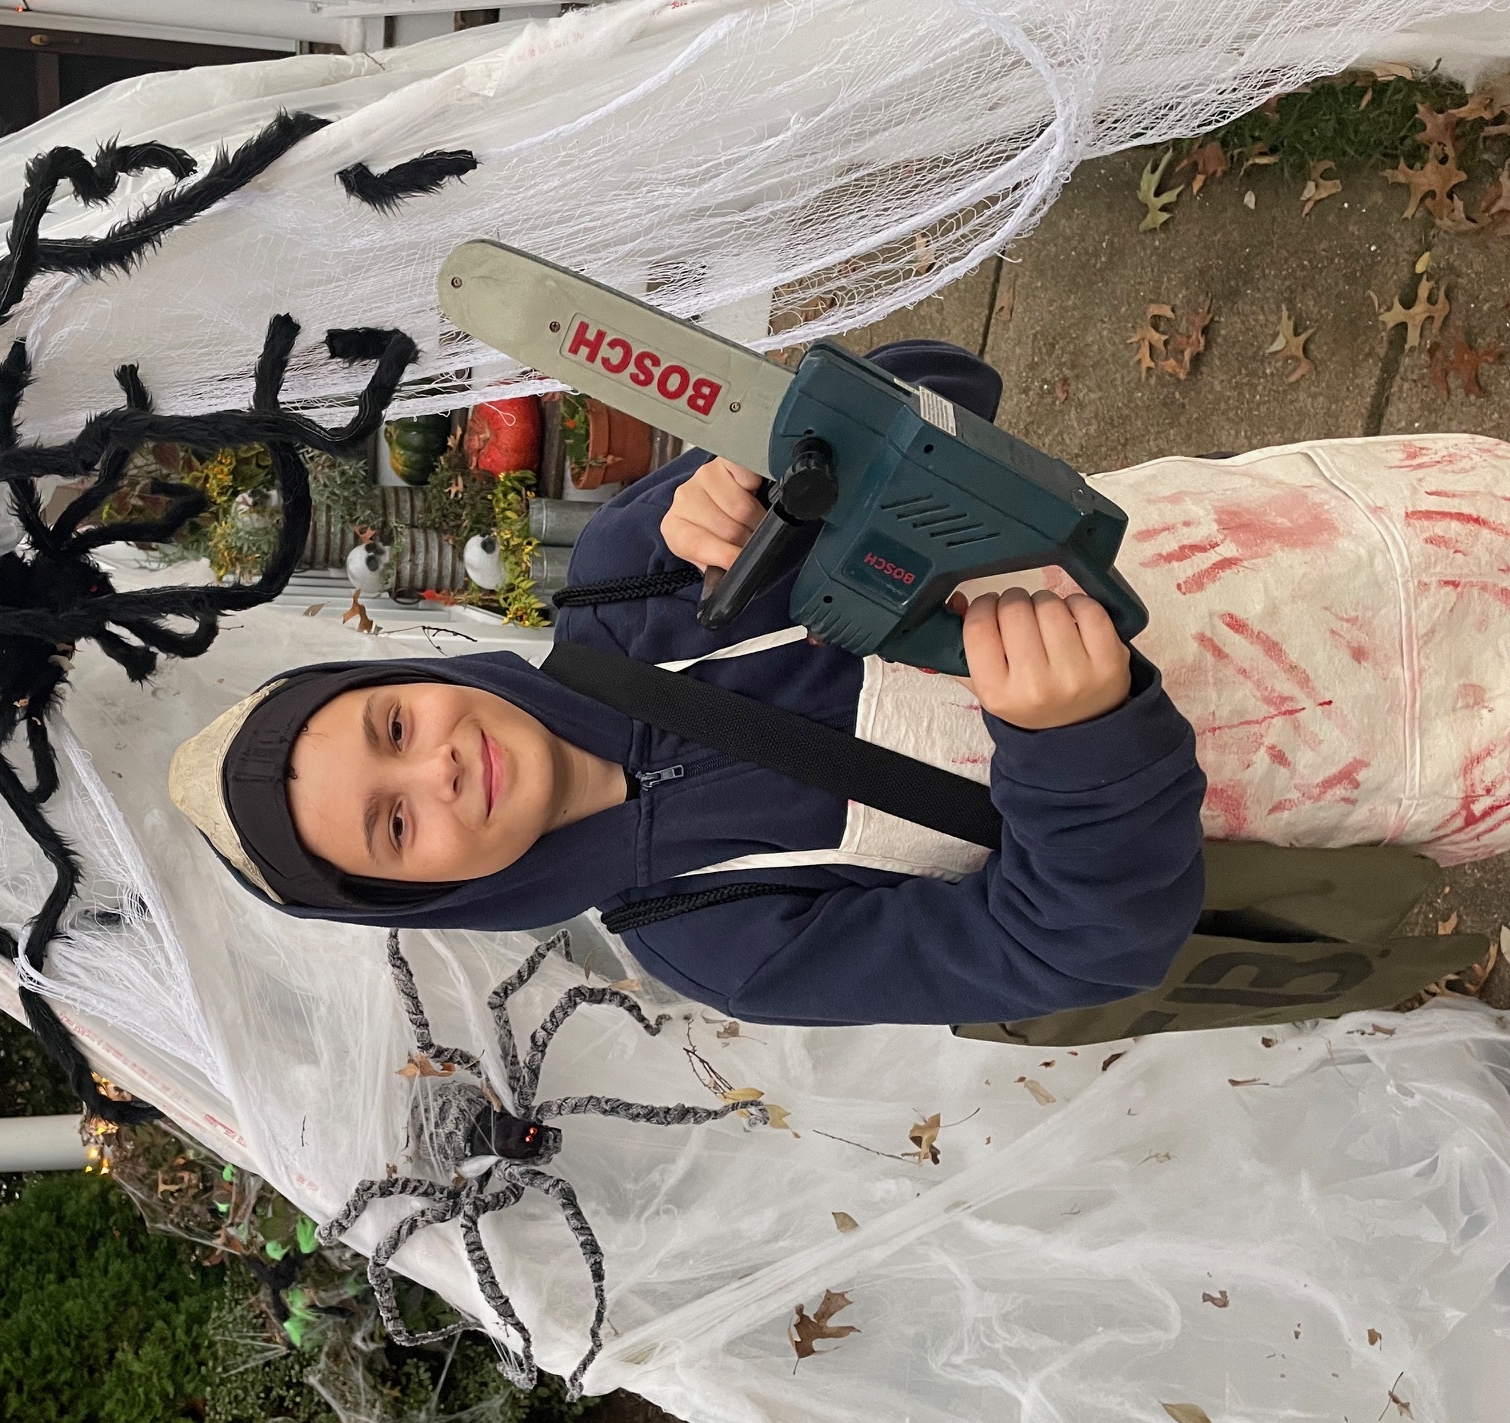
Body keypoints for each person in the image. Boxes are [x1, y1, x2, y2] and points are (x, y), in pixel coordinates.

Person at [170, 342, 1208, 1027]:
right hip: (1334, 775)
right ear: (420, 897)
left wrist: (798, 461)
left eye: (392, 726)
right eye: (393, 829)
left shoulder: (637, 567)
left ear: (408, 674)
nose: (433, 769)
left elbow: (954, 384)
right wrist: (1080, 742)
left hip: (1267, 540)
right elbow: (1085, 952)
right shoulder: (718, 941)